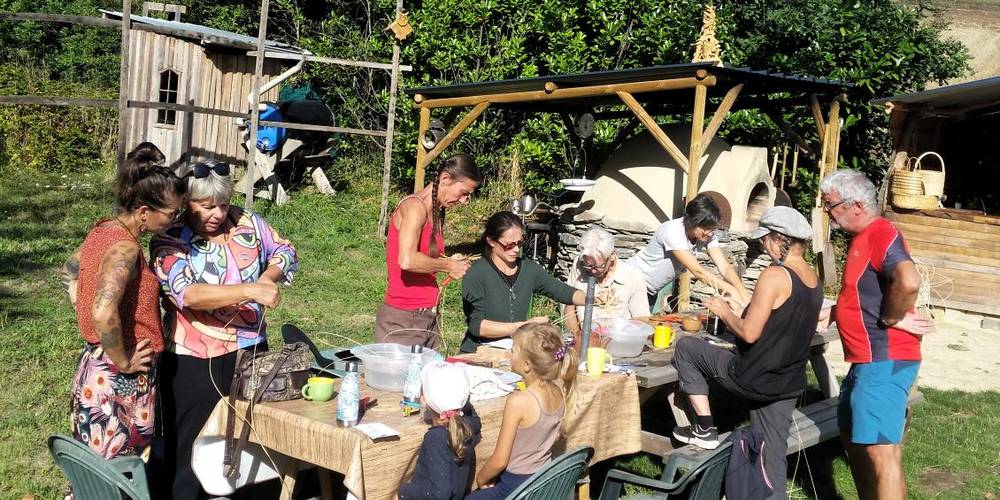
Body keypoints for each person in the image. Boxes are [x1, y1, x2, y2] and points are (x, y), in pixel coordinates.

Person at [149, 160, 299, 499]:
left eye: (223, 204)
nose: (217, 213)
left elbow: (286, 250)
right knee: (191, 443)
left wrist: (267, 277)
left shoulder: (249, 224)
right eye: (206, 206)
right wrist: (249, 291)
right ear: (187, 203)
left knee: (248, 440)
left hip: (250, 351)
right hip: (195, 360)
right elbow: (187, 293)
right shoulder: (170, 240)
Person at [671, 206, 822, 500]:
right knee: (772, 455)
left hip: (753, 376)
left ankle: (704, 428)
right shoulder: (812, 279)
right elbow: (779, 322)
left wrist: (725, 312)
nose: (763, 246)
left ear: (781, 238)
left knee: (688, 347)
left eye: (764, 240)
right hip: (787, 382)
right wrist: (746, 311)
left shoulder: (775, 275)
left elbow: (750, 333)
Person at [63, 142, 185, 462]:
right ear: (145, 212)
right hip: (117, 382)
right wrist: (124, 360)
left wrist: (83, 310)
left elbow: (71, 269)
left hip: (96, 367)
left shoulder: (103, 229)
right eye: (172, 213)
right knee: (117, 472)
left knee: (96, 472)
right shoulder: (126, 249)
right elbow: (104, 312)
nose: (175, 219)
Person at [820, 169, 933, 500]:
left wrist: (890, 317)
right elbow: (866, 290)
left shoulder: (881, 232)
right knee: (853, 439)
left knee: (883, 454)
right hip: (865, 362)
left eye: (831, 205)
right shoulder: (861, 238)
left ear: (855, 205)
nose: (827, 212)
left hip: (884, 360)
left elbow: (908, 281)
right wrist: (838, 311)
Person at [377, 153, 481, 348]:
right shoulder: (414, 207)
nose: (465, 201)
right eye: (463, 192)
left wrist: (451, 260)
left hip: (427, 314)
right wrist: (448, 265)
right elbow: (407, 260)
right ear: (445, 179)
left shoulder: (437, 211)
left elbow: (425, 256)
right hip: (404, 318)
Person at [468, 323, 577, 499]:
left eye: (512, 350)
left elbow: (500, 460)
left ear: (527, 365)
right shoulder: (559, 391)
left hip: (515, 488)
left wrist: (480, 481)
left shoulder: (519, 401)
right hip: (542, 481)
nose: (508, 354)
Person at [460, 211, 589, 353]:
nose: (516, 249)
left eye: (520, 243)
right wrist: (524, 326)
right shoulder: (476, 272)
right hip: (478, 352)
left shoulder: (529, 269)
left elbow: (562, 291)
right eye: (509, 245)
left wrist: (591, 299)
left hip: (515, 352)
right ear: (491, 241)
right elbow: (477, 326)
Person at [627, 193, 751, 312]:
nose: (708, 233)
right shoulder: (673, 231)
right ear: (691, 221)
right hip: (630, 283)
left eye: (711, 228)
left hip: (649, 289)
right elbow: (698, 271)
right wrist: (730, 289)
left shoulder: (708, 235)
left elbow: (724, 266)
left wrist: (741, 291)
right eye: (704, 228)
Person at [396, 361, 482, 500]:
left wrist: (404, 492)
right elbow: (476, 419)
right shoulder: (469, 425)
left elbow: (440, 494)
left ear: (423, 400)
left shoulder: (436, 437)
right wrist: (461, 403)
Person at [564, 227, 649, 337]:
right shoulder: (579, 265)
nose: (592, 270)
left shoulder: (633, 278)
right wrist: (577, 337)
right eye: (588, 265)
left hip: (618, 341)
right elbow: (569, 304)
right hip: (584, 338)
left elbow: (642, 319)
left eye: (599, 266)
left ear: (612, 256)